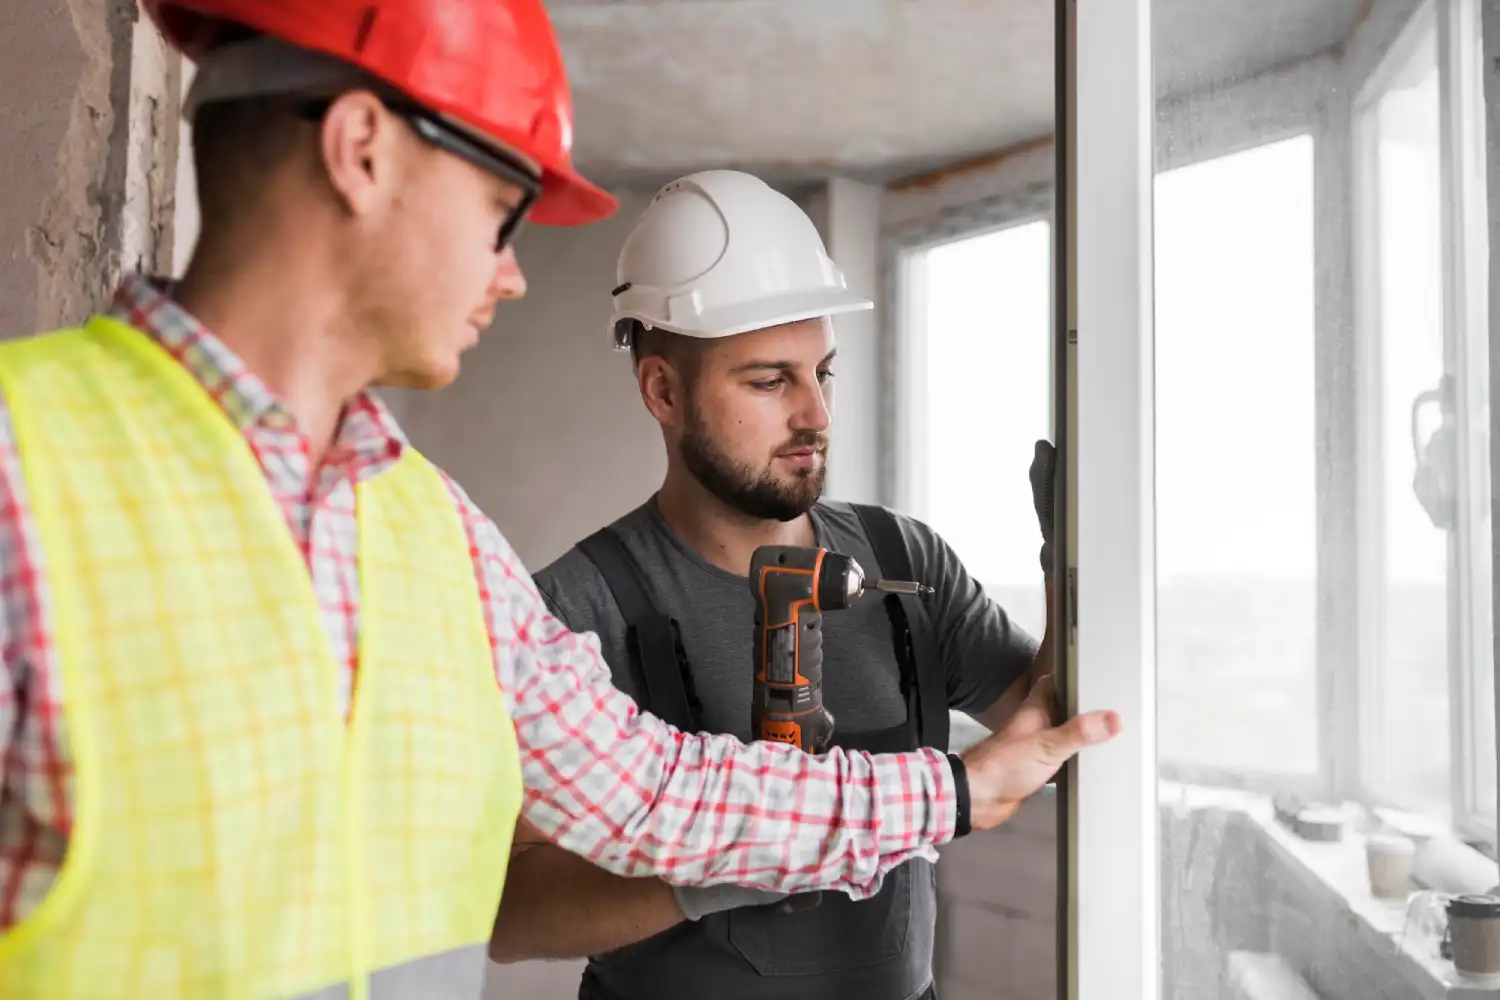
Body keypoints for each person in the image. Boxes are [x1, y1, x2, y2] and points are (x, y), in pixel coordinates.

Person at [0, 4, 1117, 998]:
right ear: (363, 152)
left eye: (817, 373)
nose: (515, 271)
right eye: (500, 208)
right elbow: (523, 894)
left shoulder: (433, 536)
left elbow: (651, 793)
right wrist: (936, 799)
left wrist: (956, 787)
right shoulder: (24, 473)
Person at [490, 169, 1062, 1000]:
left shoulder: (904, 562)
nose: (816, 416)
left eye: (822, 372)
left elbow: (1042, 735)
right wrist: (729, 865)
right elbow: (510, 910)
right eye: (769, 380)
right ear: (662, 389)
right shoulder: (576, 610)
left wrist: (1071, 569)